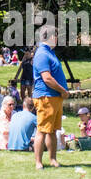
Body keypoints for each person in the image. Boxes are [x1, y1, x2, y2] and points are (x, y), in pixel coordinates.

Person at [31, 25, 69, 169]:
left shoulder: (49, 52)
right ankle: (38, 163)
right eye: (57, 36)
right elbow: (46, 78)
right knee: (42, 130)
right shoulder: (42, 53)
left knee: (53, 130)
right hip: (45, 97)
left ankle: (53, 159)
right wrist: (63, 91)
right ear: (52, 37)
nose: (58, 40)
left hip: (54, 97)